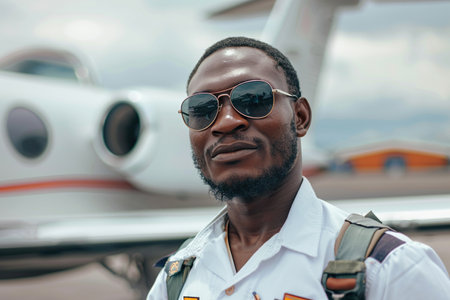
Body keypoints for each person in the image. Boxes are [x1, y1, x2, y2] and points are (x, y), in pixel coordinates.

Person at [147, 36, 450, 300]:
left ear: (300, 117)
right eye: (201, 109)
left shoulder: (390, 269)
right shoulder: (177, 277)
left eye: (254, 99)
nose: (226, 122)